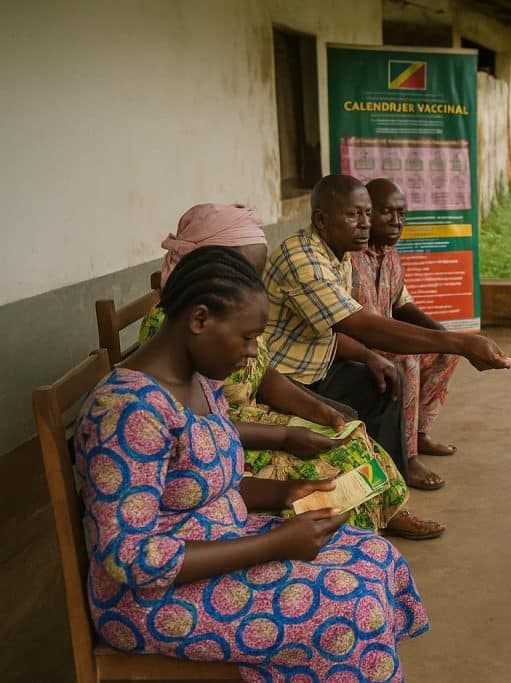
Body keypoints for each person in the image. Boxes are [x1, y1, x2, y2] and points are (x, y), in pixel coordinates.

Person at [75, 246, 428, 681]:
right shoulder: (128, 413)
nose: (253, 352)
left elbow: (206, 480)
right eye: (247, 337)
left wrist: (284, 493)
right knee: (352, 606)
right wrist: (274, 544)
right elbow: (129, 557)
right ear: (200, 319)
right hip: (154, 601)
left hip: (220, 543)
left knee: (376, 555)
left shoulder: (200, 381)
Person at [140, 203, 443, 540]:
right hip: (234, 438)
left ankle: (382, 512)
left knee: (351, 433)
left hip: (242, 423)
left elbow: (263, 373)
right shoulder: (178, 337)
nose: (252, 283)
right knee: (333, 467)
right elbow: (198, 433)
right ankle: (343, 534)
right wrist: (285, 435)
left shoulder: (225, 321)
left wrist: (315, 410)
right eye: (243, 271)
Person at [263, 174, 510, 490]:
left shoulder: (342, 254)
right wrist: (460, 341)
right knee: (353, 413)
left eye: (367, 214)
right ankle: (380, 482)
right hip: (283, 379)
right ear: (321, 221)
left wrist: (376, 356)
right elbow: (359, 325)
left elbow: (392, 309)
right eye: (355, 215)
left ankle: (396, 482)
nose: (365, 223)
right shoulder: (303, 260)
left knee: (385, 383)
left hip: (322, 365)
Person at [351, 178, 460, 467]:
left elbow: (402, 303)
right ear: (366, 213)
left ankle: (420, 433)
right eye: (388, 213)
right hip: (355, 347)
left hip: (387, 339)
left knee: (446, 349)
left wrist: (437, 332)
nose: (397, 222)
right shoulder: (347, 257)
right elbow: (356, 325)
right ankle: (407, 456)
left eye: (402, 214)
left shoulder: (391, 255)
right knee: (408, 359)